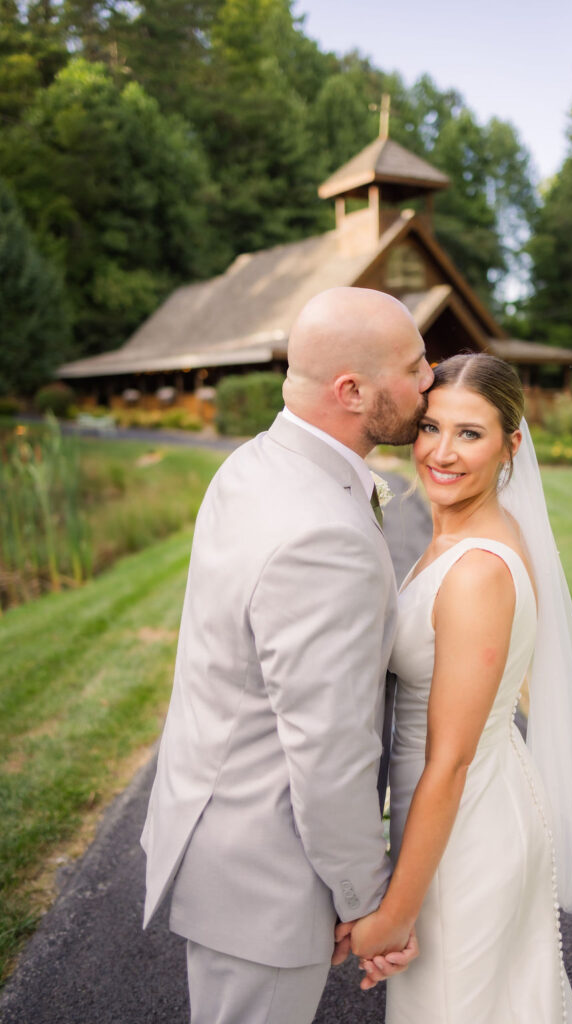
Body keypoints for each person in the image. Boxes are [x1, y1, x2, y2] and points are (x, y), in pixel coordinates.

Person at [140, 286, 433, 1024]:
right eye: (416, 364)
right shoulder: (319, 532)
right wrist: (372, 903)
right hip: (265, 878)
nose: (431, 378)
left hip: (216, 832)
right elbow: (327, 747)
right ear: (352, 391)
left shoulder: (253, 465)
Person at [348, 353, 572, 1022]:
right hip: (455, 814)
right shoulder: (458, 537)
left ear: (511, 446)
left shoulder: (477, 569)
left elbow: (451, 761)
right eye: (429, 428)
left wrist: (396, 912)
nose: (440, 453)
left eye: (469, 434)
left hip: (467, 829)